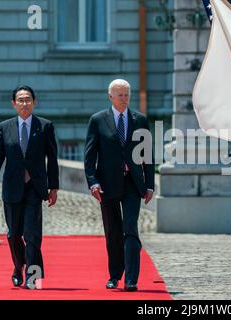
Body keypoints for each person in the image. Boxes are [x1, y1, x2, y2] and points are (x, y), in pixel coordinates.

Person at [84, 79, 154, 292]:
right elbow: (89, 156)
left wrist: (149, 185)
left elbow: (148, 155)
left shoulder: (140, 119)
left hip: (133, 183)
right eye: (119, 95)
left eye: (126, 95)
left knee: (130, 229)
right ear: (110, 96)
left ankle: (131, 279)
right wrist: (93, 182)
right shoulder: (98, 120)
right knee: (113, 232)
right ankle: (115, 275)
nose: (124, 99)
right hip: (107, 184)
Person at [0, 85, 59, 289]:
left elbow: (52, 159)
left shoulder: (45, 126)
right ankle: (18, 267)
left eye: (28, 99)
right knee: (13, 234)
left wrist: (53, 187)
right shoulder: (4, 127)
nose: (24, 103)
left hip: (35, 188)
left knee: (32, 234)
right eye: (20, 100)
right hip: (12, 187)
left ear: (34, 102)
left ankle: (32, 276)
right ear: (14, 104)